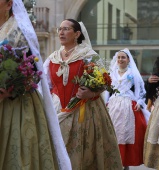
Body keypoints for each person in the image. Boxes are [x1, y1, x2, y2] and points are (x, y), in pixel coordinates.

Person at [0, 0, 72, 169]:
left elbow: (33, 70)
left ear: (9, 4)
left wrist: (10, 90)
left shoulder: (20, 31)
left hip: (16, 103)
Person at [43, 19, 123, 170]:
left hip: (84, 110)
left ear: (77, 34)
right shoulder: (52, 58)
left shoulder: (88, 55)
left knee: (81, 151)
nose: (61, 32)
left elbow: (105, 81)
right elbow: (46, 85)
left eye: (66, 29)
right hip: (57, 108)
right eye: (60, 29)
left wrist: (92, 92)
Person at [107, 48, 150, 170]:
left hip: (128, 105)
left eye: (123, 57)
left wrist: (140, 102)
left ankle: (125, 164)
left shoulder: (133, 74)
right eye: (118, 57)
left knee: (126, 134)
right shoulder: (111, 73)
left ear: (128, 60)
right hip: (113, 105)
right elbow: (106, 91)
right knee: (112, 133)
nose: (120, 59)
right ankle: (114, 161)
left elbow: (142, 91)